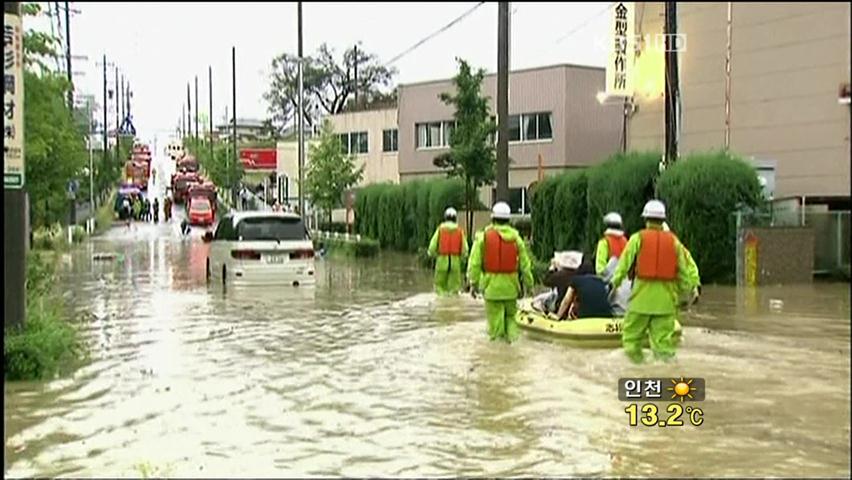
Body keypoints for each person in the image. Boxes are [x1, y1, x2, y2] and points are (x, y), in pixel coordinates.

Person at [610, 199, 701, 363]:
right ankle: (666, 376)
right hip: (666, 303)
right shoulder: (674, 242)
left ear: (646, 219)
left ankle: (639, 371)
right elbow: (684, 272)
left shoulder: (637, 238)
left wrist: (614, 284)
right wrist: (687, 293)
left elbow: (623, 264)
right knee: (664, 346)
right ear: (663, 220)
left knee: (631, 342)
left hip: (640, 301)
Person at [467, 202, 534, 343]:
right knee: (512, 321)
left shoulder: (483, 237)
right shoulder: (516, 238)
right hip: (511, 288)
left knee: (496, 329)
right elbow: (525, 265)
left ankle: (499, 357)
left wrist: (473, 283)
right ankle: (514, 348)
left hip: (492, 289)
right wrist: (529, 285)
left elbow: (475, 263)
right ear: (509, 220)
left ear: (493, 218)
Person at [427, 207, 468, 296]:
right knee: (454, 289)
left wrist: (432, 255)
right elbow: (465, 250)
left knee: (439, 287)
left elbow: (432, 247)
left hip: (442, 261)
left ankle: (442, 306)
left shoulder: (440, 230)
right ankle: (451, 307)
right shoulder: (459, 231)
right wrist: (463, 258)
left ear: (445, 218)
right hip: (455, 262)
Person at [595, 212, 628, 276]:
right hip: (624, 280)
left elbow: (600, 267)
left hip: (609, 279)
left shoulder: (604, 242)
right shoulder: (625, 241)